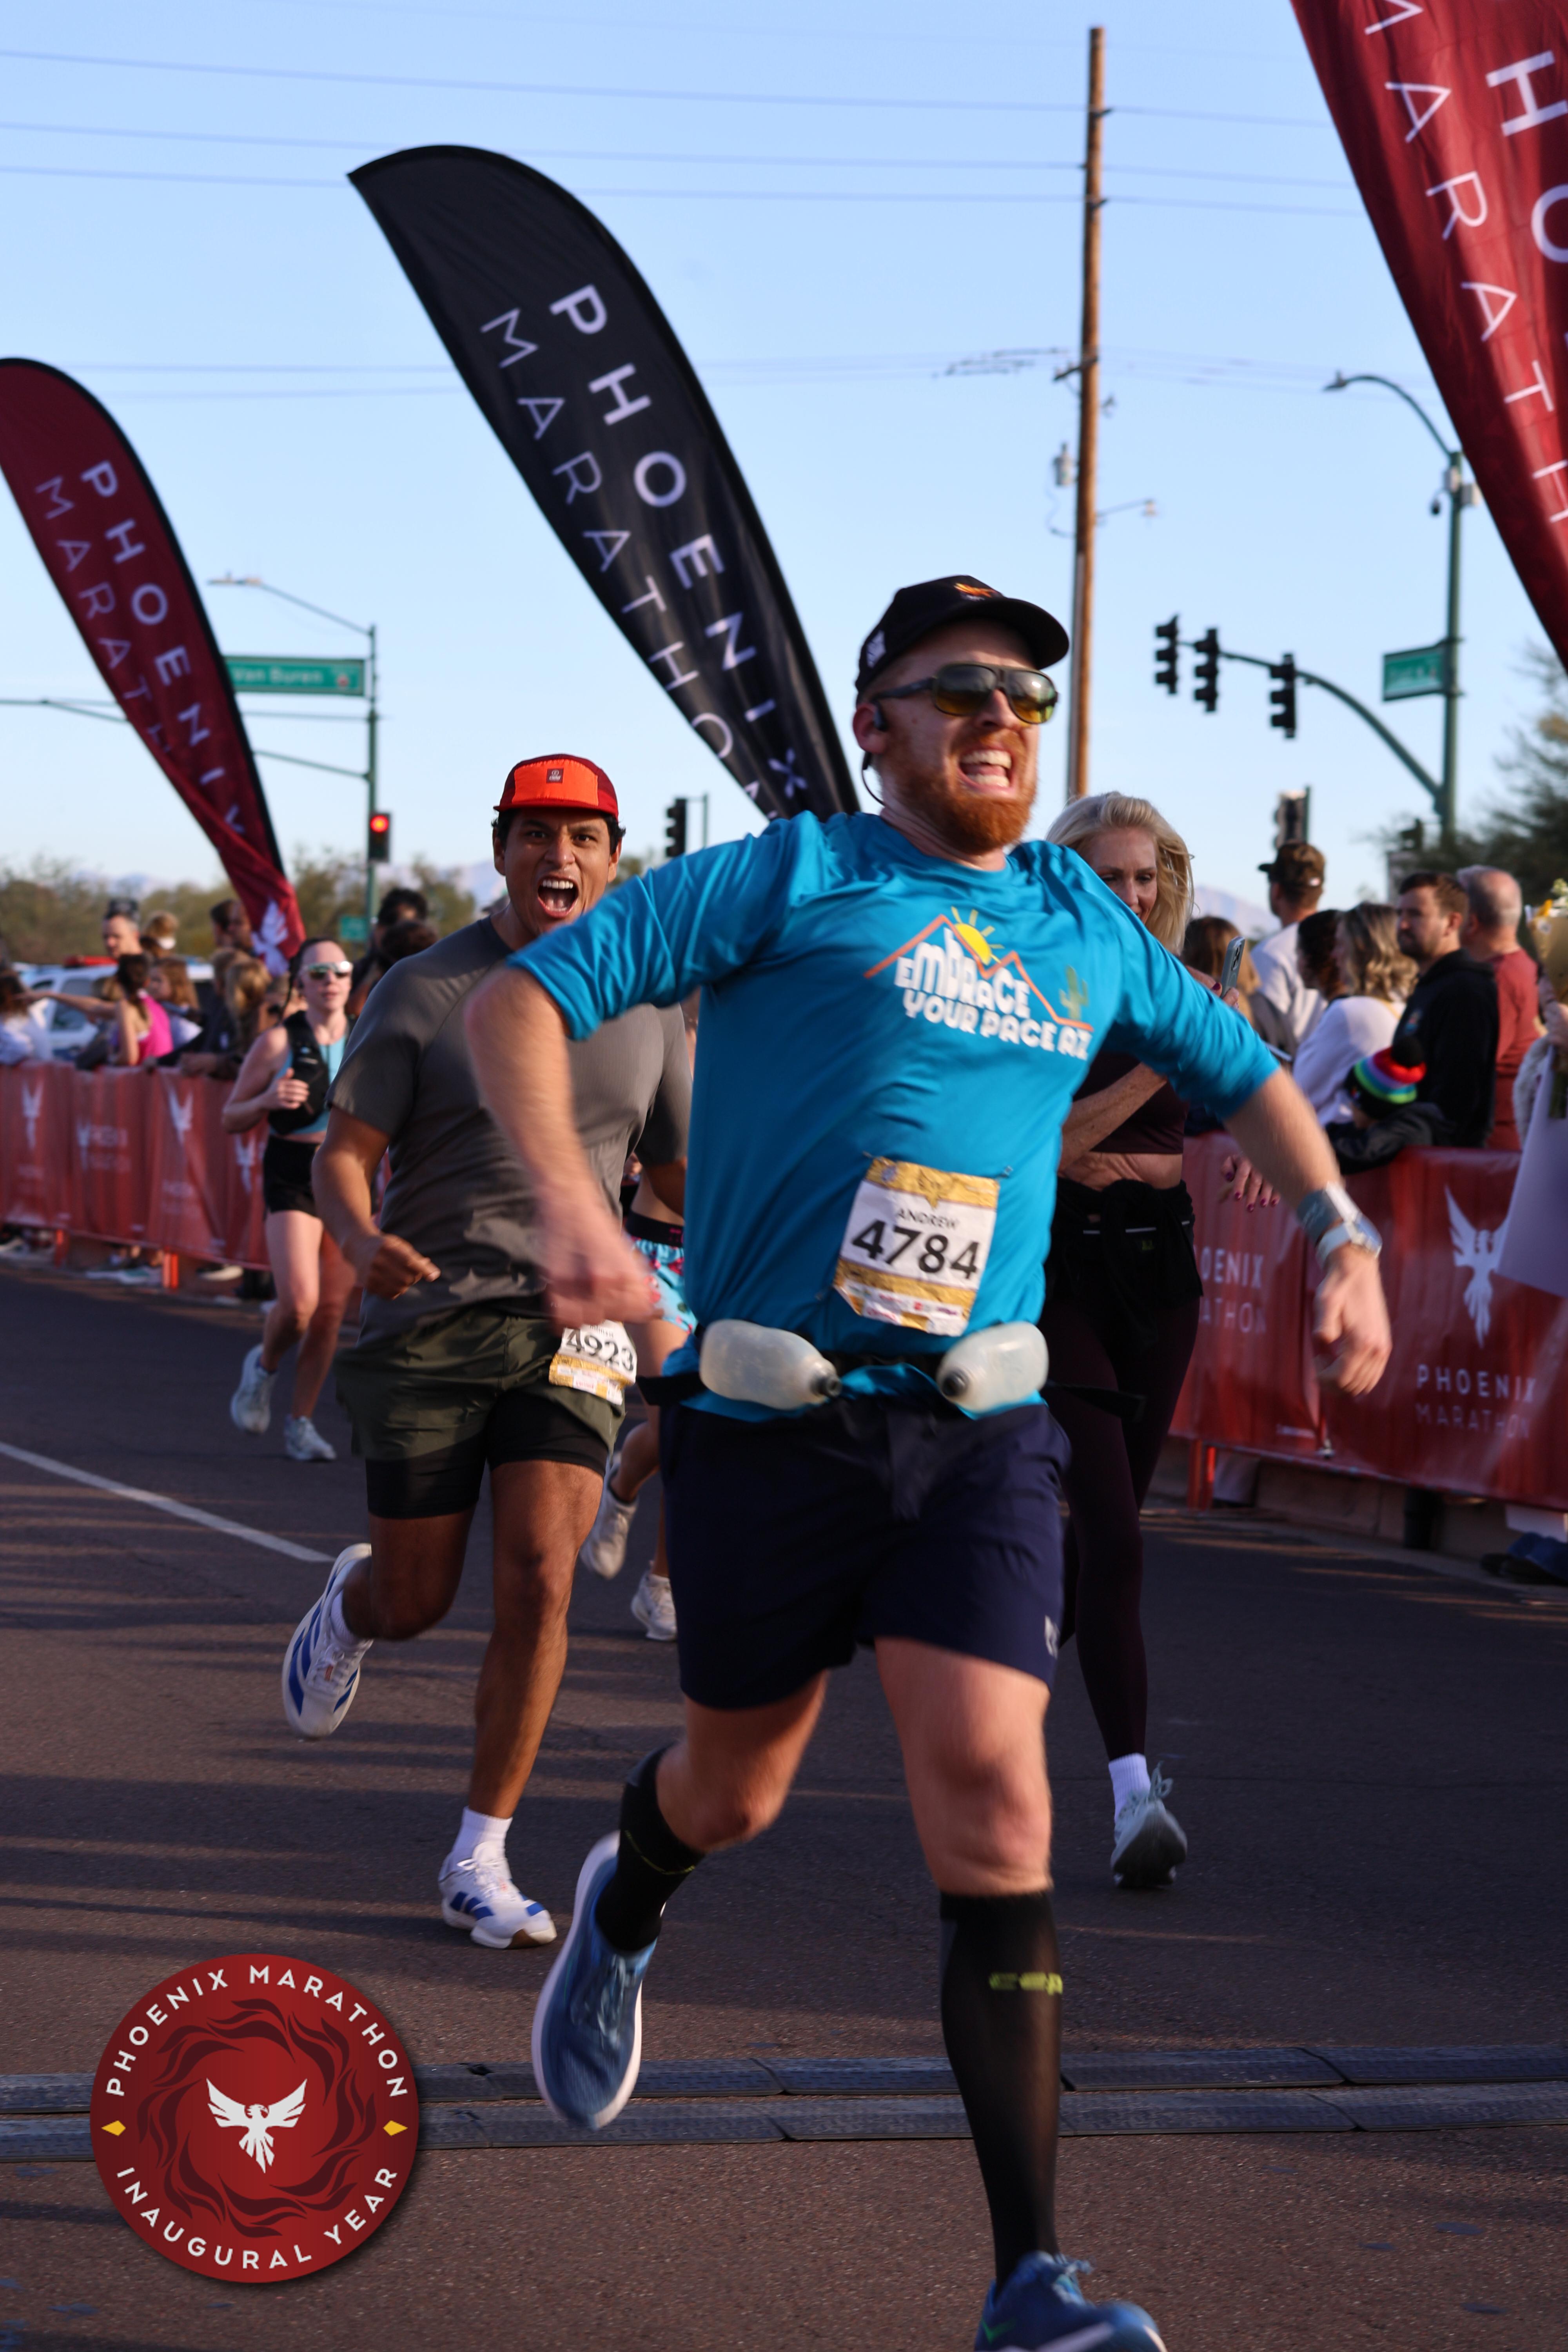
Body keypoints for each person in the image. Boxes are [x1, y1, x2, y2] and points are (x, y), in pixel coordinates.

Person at [464, 575, 1391, 2352]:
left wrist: (1337, 1228)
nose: (997, 715)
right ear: (874, 723)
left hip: (974, 1428)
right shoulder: (788, 876)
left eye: (1023, 696)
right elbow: (517, 1006)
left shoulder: (1078, 919)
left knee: (994, 1791)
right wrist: (575, 1214)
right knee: (733, 1789)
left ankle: (1026, 2277)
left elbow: (1244, 1073)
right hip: (765, 1420)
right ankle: (626, 1894)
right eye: (955, 687)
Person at [288, 756, 690, 1955]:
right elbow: (343, 1154)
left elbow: (678, 1176)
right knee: (417, 1597)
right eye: (537, 835)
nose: (559, 857)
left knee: (542, 1574)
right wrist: (359, 1237)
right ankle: (351, 1607)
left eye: (583, 837)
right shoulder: (425, 987)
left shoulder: (649, 1003)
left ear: (612, 856)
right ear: (504, 847)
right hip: (431, 1314)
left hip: (573, 1323)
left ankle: (481, 1854)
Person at [1040, 798, 1254, 1891]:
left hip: (1161, 1269)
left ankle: (1000, 1653)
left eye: (1144, 878)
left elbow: (1254, 1095)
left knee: (1108, 1525)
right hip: (1058, 1273)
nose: (1130, 895)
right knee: (1115, 1530)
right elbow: (1041, 1145)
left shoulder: (1184, 989)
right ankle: (1134, 1794)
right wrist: (1159, 1063)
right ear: (1064, 877)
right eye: (1108, 875)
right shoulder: (1033, 988)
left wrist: (1261, 1134)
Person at [578, 993, 701, 1642]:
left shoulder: (781, 1048)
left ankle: (625, 1483)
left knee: (699, 1428)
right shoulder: (674, 1037)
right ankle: (662, 1586)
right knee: (683, 1423)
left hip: (731, 1263)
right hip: (660, 1254)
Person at [224, 940, 357, 1463]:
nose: (330, 981)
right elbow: (230, 1116)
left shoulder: (369, 1034)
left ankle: (301, 1423)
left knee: (330, 1314)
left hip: (350, 1174)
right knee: (300, 1304)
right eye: (318, 973)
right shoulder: (278, 1040)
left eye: (340, 971)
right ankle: (263, 1368)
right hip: (293, 1172)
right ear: (300, 982)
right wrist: (267, 1099)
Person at [1392, 871, 1499, 1146]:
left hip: (1445, 1161)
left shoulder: (1466, 991)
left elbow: (1457, 1104)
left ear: (1452, 923)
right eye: (1399, 913)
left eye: (1416, 914)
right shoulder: (1431, 985)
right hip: (1417, 1154)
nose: (1402, 924)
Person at [1292, 904, 1416, 1125]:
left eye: (1341, 944)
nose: (1334, 955)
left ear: (1361, 951)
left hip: (1335, 1139)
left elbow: (1298, 1093)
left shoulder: (1351, 1013)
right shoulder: (1405, 1007)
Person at [1457, 866, 1540, 1151]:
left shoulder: (1496, 980)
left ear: (1471, 922)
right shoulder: (1525, 967)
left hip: (1494, 1148)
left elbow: (1469, 1070)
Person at [1249, 841, 1328, 1055]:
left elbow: (1265, 1037)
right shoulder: (1345, 941)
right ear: (1321, 891)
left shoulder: (1270, 954)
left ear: (1277, 891)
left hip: (1293, 1072)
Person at [1325, 1047, 1440, 1171]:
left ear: (1372, 1108)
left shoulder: (1409, 1127)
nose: (1351, 1107)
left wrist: (1315, 1151)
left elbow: (1363, 1152)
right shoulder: (1378, 1123)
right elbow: (1342, 1133)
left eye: (1354, 1102)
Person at [348, 886, 432, 1016]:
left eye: (408, 929)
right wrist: (370, 979)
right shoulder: (363, 970)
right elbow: (355, 1010)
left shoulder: (430, 970)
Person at [1294, 907, 1342, 1009]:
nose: (1297, 962)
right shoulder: (1348, 1005)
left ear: (1308, 958)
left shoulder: (1340, 1012)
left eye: (1298, 954)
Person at [101, 896, 141, 960]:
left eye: (116, 936)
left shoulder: (154, 966)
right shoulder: (111, 966)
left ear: (135, 935)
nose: (110, 943)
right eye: (106, 937)